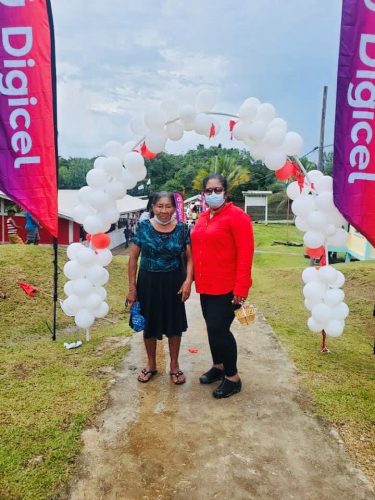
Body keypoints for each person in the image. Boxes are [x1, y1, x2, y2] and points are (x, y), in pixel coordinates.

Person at [191, 174, 254, 399]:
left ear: (226, 193)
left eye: (217, 190)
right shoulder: (203, 217)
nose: (213, 194)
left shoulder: (237, 217)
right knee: (211, 329)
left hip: (227, 287)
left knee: (220, 330)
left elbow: (246, 254)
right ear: (203, 194)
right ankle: (218, 367)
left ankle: (232, 377)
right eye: (208, 191)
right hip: (206, 285)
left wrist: (241, 288)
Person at [127, 192, 193, 385]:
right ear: (152, 207)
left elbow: (190, 258)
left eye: (168, 206)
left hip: (174, 282)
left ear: (174, 208)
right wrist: (132, 288)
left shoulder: (182, 229)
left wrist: (188, 281)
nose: (164, 211)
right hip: (148, 282)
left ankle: (174, 365)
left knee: (174, 325)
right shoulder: (143, 227)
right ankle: (151, 364)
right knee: (149, 324)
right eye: (159, 206)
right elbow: (132, 259)